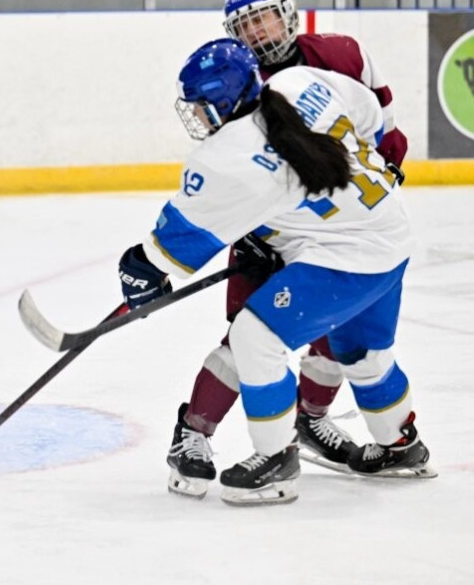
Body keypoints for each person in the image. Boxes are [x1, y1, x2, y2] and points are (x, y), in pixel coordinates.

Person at [120, 38, 434, 506]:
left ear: (222, 101)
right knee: (364, 356)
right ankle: (401, 447)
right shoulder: (299, 81)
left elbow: (170, 250)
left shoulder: (227, 154)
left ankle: (276, 461)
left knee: (254, 336)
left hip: (347, 257)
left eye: (202, 106)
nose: (198, 117)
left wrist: (139, 270)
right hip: (390, 230)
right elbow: (370, 117)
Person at [165, 0, 413, 496]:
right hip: (268, 231)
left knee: (333, 337)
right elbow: (229, 175)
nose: (257, 32)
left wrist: (381, 172)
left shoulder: (340, 57)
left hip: (338, 231)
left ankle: (310, 422)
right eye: (245, 24)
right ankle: (194, 434)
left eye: (264, 17)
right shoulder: (234, 81)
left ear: (288, 13)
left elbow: (379, 126)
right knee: (246, 337)